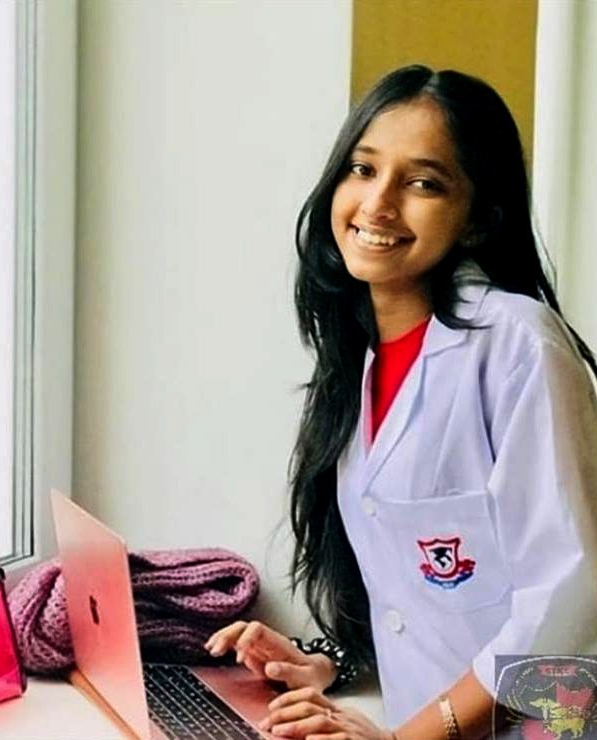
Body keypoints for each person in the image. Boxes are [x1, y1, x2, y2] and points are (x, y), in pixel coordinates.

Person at [204, 65, 597, 739]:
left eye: (423, 183)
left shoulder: (517, 345)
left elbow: (567, 607)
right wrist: (326, 663)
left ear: (478, 221)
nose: (378, 203)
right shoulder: (360, 357)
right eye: (363, 169)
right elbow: (424, 598)